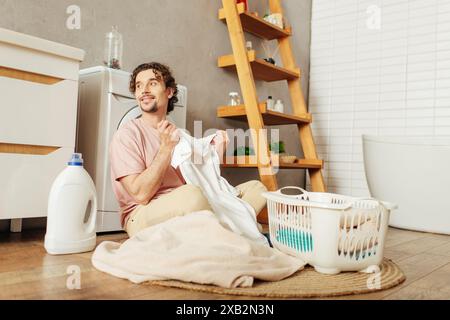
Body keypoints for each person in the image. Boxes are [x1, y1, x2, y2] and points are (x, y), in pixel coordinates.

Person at [109, 62, 268, 238]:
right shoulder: (126, 135)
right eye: (139, 86)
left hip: (187, 206)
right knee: (193, 196)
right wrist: (165, 148)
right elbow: (140, 195)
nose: (144, 90)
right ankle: (231, 229)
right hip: (142, 213)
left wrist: (216, 155)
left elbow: (201, 180)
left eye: (152, 83)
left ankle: (220, 228)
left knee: (257, 188)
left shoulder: (180, 136)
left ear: (169, 92)